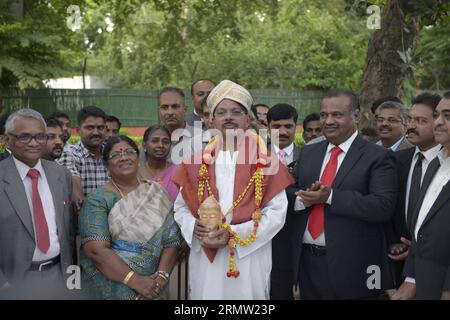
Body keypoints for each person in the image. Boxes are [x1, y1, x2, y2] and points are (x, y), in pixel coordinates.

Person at [172, 80, 293, 299]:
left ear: (248, 119)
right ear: (212, 119)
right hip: (206, 255)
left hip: (249, 257)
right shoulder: (194, 163)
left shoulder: (267, 162)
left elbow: (277, 214)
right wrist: (194, 227)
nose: (228, 117)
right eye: (222, 112)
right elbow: (180, 208)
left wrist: (233, 234)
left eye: (236, 112)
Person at [289, 89, 397, 299]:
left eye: (336, 115)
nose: (328, 121)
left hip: (355, 267)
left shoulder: (379, 157)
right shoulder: (309, 152)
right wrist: (302, 199)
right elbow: (289, 191)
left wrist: (330, 197)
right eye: (323, 115)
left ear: (356, 116)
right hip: (307, 264)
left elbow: (382, 206)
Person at [79, 135, 183, 300]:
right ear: (106, 165)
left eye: (129, 152)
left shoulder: (157, 192)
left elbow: (172, 241)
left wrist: (160, 279)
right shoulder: (98, 199)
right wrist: (136, 282)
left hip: (154, 288)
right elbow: (96, 251)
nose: (124, 157)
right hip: (112, 287)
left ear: (138, 156)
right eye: (115, 155)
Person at [0, 109, 74, 298]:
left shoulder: (61, 175)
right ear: (7, 140)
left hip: (59, 277)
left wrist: (74, 282)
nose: (34, 143)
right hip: (14, 283)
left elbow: (69, 233)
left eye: (41, 136)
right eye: (24, 137)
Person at [393, 92, 450, 300]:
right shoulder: (436, 164)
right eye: (437, 115)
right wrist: (411, 279)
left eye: (448, 116)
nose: (439, 122)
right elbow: (423, 229)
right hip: (423, 282)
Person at [267, 103, 301, 299]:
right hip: (260, 235)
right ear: (268, 126)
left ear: (296, 126)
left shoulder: (308, 156)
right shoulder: (254, 156)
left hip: (293, 235)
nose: (282, 131)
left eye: (288, 126)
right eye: (276, 126)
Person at [57, 106, 110, 208]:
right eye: (89, 128)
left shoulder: (112, 154)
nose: (96, 132)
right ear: (78, 130)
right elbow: (75, 191)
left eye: (100, 128)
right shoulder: (69, 154)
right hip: (82, 219)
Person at [138, 125, 180, 202]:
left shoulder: (178, 172)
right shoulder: (135, 174)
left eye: (165, 142)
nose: (161, 145)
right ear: (144, 146)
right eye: (155, 141)